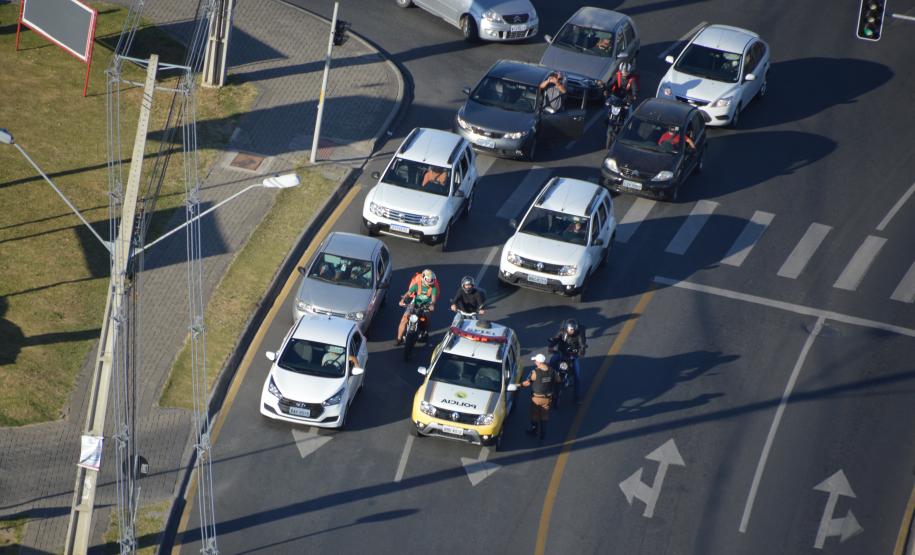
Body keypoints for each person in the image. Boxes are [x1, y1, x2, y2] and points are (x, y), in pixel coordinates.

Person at [547, 319, 587, 406]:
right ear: (566, 328)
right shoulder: (562, 332)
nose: (571, 331)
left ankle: (577, 397)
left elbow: (582, 344)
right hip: (562, 353)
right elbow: (556, 339)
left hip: (573, 356)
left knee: (577, 376)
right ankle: (547, 383)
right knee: (551, 363)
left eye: (572, 329)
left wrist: (581, 352)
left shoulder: (579, 335)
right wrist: (551, 346)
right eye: (570, 329)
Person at [521, 353, 560, 439]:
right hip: (547, 398)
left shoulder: (535, 372)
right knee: (544, 415)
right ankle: (543, 434)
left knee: (534, 415)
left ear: (539, 362)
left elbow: (527, 383)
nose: (535, 362)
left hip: (536, 398)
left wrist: (520, 385)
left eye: (535, 361)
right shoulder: (552, 371)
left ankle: (534, 431)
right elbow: (558, 380)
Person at [396, 269, 438, 345]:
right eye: (428, 279)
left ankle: (424, 332)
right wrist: (402, 300)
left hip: (426, 306)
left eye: (431, 279)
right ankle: (399, 338)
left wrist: (432, 305)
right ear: (423, 278)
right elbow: (408, 293)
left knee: (427, 318)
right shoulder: (417, 285)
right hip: (414, 304)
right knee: (404, 318)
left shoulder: (433, 288)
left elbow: (433, 299)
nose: (430, 281)